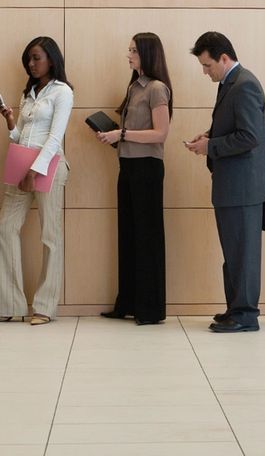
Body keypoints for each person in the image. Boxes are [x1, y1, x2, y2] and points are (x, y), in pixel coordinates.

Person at [185, 31, 265, 333]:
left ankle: (246, 314)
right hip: (232, 186)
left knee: (244, 253)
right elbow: (234, 128)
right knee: (234, 253)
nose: (205, 71)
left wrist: (210, 147)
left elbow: (250, 137)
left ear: (224, 58)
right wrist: (210, 137)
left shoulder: (245, 85)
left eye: (208, 65)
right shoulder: (230, 83)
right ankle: (235, 308)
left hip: (243, 187)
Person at [0, 37, 73, 326]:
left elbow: (54, 137)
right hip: (21, 164)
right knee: (5, 227)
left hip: (48, 165)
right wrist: (11, 120)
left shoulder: (62, 92)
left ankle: (45, 307)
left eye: (36, 58)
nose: (31, 64)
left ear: (51, 59)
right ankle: (11, 305)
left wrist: (35, 170)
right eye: (29, 59)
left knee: (50, 235)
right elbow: (19, 137)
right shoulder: (29, 93)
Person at [96, 33, 172, 326]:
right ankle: (127, 302)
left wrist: (122, 134)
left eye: (133, 51)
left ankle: (150, 309)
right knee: (128, 235)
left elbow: (160, 133)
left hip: (147, 169)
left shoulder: (156, 89)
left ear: (148, 54)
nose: (128, 55)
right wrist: (113, 135)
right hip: (127, 166)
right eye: (128, 50)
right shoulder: (133, 88)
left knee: (147, 238)